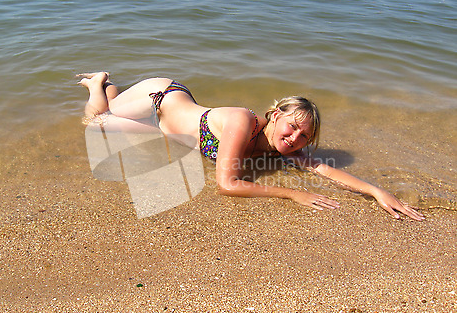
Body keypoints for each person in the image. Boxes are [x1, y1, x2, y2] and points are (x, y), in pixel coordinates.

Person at [77, 72, 424, 221]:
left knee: (111, 119)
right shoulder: (243, 121)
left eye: (304, 136)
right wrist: (293, 195)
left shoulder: (281, 147)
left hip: (166, 128)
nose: (294, 139)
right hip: (159, 99)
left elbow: (325, 169)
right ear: (274, 115)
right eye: (292, 126)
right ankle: (98, 83)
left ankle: (113, 90)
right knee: (94, 125)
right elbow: (226, 185)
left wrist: (377, 192)